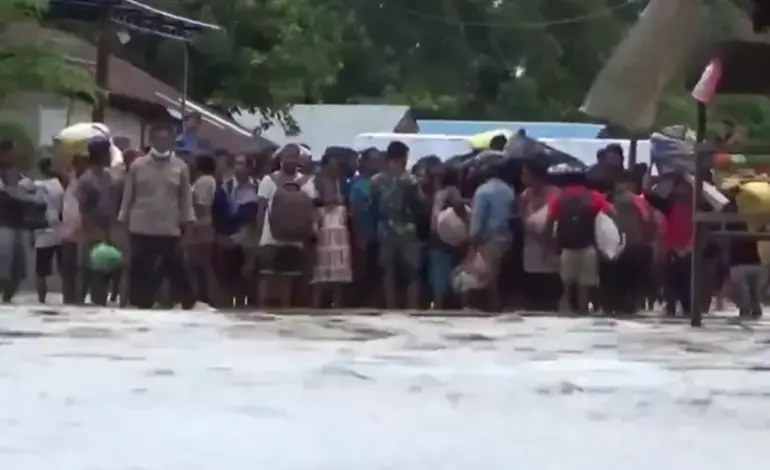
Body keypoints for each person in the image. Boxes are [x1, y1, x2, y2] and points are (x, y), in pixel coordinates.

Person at [118, 122, 195, 309]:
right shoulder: (137, 166)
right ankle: (139, 305)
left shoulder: (181, 167)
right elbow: (127, 199)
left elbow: (186, 202)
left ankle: (185, 305)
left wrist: (189, 231)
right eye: (158, 138)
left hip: (169, 231)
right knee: (140, 278)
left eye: (166, 138)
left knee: (179, 275)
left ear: (171, 140)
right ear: (151, 140)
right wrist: (122, 229)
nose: (162, 142)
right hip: (141, 230)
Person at [256, 143, 317, 308]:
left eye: (293, 157)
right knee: (270, 278)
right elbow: (261, 210)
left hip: (288, 239)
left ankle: (280, 312)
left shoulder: (272, 180)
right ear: (280, 159)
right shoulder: (271, 181)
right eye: (288, 157)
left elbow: (260, 210)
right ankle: (272, 310)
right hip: (275, 238)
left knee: (281, 279)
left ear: (299, 160)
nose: (290, 160)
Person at [545, 168, 613, 313]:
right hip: (588, 247)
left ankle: (566, 314)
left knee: (565, 287)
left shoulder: (558, 197)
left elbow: (549, 222)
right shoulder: (593, 196)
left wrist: (550, 248)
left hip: (566, 249)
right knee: (584, 288)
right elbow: (610, 214)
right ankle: (583, 313)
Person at [371, 141, 422, 310]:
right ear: (402, 157)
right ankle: (411, 305)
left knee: (388, 270)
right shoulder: (410, 180)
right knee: (412, 272)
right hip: (407, 227)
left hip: (384, 227)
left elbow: (373, 205)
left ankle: (390, 305)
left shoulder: (376, 180)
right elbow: (418, 204)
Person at [0, 140, 45, 302]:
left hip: (17, 226)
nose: (15, 155)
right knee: (5, 268)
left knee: (16, 271)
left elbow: (32, 192)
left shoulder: (16, 174)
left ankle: (7, 300)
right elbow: (9, 193)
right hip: (3, 226)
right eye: (12, 152)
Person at [76, 138, 120, 306]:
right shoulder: (87, 179)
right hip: (91, 229)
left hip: (107, 228)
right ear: (100, 155)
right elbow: (83, 208)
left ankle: (99, 300)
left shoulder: (109, 177)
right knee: (89, 269)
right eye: (108, 153)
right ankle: (81, 301)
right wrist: (91, 229)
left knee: (104, 269)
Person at [212, 154, 259, 307]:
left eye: (242, 163)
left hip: (247, 238)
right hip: (227, 236)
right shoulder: (225, 186)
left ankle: (242, 305)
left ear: (250, 168)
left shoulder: (256, 187)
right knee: (226, 276)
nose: (238, 167)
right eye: (236, 163)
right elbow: (217, 212)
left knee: (245, 277)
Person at [469, 160, 515, 311]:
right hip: (506, 239)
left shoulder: (483, 191)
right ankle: (497, 306)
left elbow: (478, 218)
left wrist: (473, 240)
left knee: (487, 277)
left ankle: (490, 307)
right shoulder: (509, 190)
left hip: (487, 240)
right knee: (497, 275)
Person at [519, 157, 561, 311]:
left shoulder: (555, 194)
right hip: (531, 249)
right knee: (533, 289)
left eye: (525, 173)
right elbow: (523, 220)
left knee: (550, 289)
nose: (522, 177)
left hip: (552, 249)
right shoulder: (525, 196)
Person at [310, 154, 352, 307]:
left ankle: (337, 304)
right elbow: (314, 202)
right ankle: (317, 304)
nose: (334, 169)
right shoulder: (316, 180)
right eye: (331, 166)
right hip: (324, 225)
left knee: (339, 271)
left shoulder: (340, 181)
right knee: (320, 272)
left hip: (339, 228)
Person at [349, 148, 381, 307]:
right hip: (364, 234)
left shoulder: (382, 181)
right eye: (374, 160)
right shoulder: (357, 185)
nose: (377, 163)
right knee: (363, 272)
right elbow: (354, 211)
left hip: (380, 234)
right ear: (366, 162)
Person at [188, 154, 220, 305]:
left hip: (201, 225)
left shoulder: (203, 182)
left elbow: (201, 205)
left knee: (199, 263)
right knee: (202, 263)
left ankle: (204, 296)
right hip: (205, 224)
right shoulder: (211, 181)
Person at [33, 157, 64, 303]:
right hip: (59, 230)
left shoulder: (35, 185)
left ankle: (41, 300)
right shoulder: (59, 185)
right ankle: (68, 297)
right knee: (64, 269)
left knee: (41, 272)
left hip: (41, 231)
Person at [61, 154, 88, 304]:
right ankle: (68, 296)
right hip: (68, 229)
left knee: (82, 266)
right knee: (68, 265)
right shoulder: (69, 180)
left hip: (84, 228)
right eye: (77, 163)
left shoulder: (88, 182)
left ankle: (80, 295)